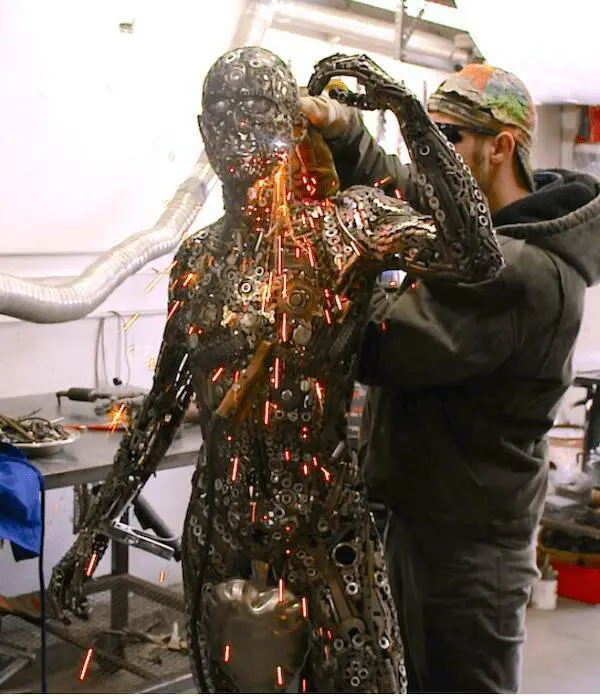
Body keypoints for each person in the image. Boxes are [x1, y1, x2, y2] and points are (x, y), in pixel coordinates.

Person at [48, 49, 503, 694]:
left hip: (324, 531)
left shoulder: (347, 227)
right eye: (226, 121)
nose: (243, 139)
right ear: (204, 131)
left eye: (261, 118)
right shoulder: (200, 260)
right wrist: (95, 532)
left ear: (293, 124)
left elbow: (477, 253)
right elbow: (162, 409)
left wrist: (407, 112)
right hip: (221, 532)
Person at [301, 62, 600, 692]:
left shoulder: (520, 268)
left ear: (501, 147)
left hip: (465, 546)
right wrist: (347, 133)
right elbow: (417, 188)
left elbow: (382, 343)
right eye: (424, 136)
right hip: (428, 515)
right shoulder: (485, 226)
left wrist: (321, 267)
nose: (430, 153)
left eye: (447, 138)